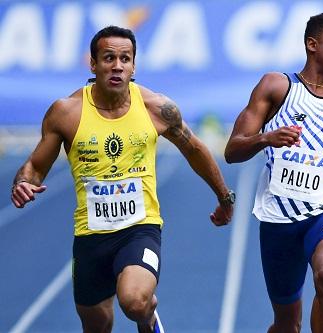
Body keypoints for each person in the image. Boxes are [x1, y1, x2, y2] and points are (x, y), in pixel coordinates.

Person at [11, 25, 235, 333]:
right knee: (97, 325)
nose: (117, 66)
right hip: (90, 236)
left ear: (134, 66)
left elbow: (195, 149)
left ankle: (148, 318)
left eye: (125, 59)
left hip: (140, 228)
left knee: (135, 301)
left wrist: (224, 197)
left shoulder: (157, 108)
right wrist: (24, 183)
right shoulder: (66, 113)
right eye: (109, 58)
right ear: (93, 64)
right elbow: (35, 167)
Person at [225, 13, 323, 333]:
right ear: (312, 44)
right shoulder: (276, 87)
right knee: (286, 324)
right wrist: (266, 137)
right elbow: (232, 151)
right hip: (278, 219)